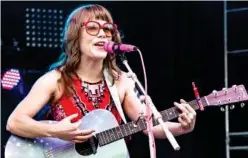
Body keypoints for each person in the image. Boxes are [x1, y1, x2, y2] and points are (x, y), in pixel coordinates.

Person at [6, 3, 196, 154]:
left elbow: (148, 126)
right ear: (75, 36)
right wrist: (55, 131)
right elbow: (14, 122)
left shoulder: (122, 81)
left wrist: (182, 127)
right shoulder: (55, 80)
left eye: (107, 29)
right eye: (92, 27)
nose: (103, 34)